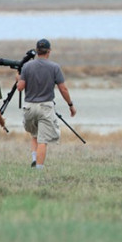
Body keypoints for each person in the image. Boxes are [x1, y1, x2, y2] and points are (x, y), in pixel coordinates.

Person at [16, 39, 76, 170]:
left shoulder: (27, 66)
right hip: (45, 107)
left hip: (29, 106)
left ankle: (33, 158)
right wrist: (70, 105)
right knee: (43, 140)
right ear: (49, 51)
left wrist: (18, 78)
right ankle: (39, 169)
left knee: (34, 134)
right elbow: (63, 89)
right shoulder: (54, 67)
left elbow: (20, 88)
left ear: (37, 51)